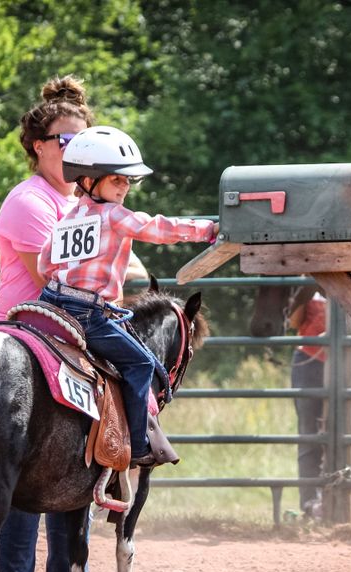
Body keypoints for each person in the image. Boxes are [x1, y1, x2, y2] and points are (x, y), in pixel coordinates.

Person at [37, 126, 218, 467]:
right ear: (88, 180)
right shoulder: (114, 215)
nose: (124, 187)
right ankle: (137, 444)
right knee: (141, 362)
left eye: (127, 181)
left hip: (51, 303)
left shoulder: (68, 217)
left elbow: (45, 263)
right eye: (115, 180)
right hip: (89, 315)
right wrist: (206, 229)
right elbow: (157, 228)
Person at [0, 75, 102, 572]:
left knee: (80, 461)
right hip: (30, 328)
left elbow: (118, 266)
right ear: (38, 145)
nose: (72, 152)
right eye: (63, 141)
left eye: (82, 142)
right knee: (27, 468)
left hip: (71, 330)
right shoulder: (29, 201)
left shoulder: (83, 201)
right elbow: (48, 278)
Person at [287, 285, 328, 520]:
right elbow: (294, 322)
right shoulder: (307, 284)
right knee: (308, 432)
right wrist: (302, 294)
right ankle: (310, 501)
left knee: (340, 430)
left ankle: (335, 495)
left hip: (341, 359)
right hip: (308, 360)